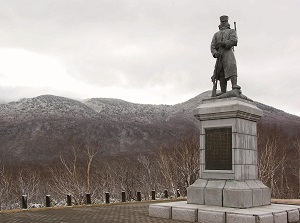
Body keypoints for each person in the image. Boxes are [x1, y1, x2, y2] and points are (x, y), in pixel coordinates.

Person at [211, 15, 240, 95]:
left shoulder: (231, 31)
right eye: (222, 22)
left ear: (227, 22)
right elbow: (212, 46)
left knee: (231, 66)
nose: (223, 23)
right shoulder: (216, 34)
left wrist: (224, 43)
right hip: (220, 54)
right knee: (220, 72)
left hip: (228, 52)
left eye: (225, 22)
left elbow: (234, 41)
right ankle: (223, 90)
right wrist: (215, 53)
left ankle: (234, 85)